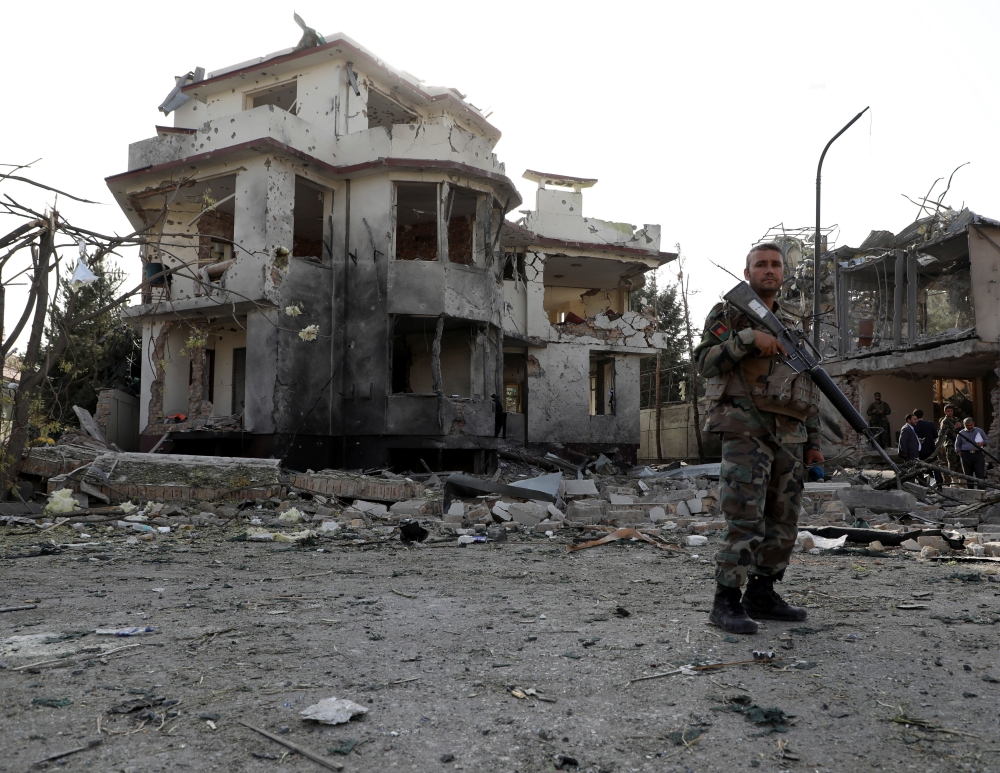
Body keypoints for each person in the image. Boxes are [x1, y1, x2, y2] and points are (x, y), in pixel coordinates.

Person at [695, 242, 823, 635]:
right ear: (747, 272)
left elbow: (808, 388)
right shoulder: (729, 314)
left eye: (776, 265)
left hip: (790, 436)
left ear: (783, 273)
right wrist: (746, 339)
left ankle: (762, 593)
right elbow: (704, 362)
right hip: (746, 428)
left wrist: (814, 444)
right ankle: (726, 601)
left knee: (783, 519)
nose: (769, 270)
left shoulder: (792, 326)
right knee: (745, 516)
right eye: (761, 264)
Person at [956, 417, 988, 489]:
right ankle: (971, 490)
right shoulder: (961, 433)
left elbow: (986, 440)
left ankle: (981, 490)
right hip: (966, 455)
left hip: (978, 454)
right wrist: (960, 452)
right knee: (968, 474)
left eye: (971, 425)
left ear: (974, 423)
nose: (970, 427)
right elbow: (957, 445)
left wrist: (982, 443)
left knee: (980, 473)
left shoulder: (979, 431)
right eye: (968, 425)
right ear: (964, 425)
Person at [938, 405, 964, 484]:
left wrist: (961, 426)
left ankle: (962, 479)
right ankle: (954, 479)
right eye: (948, 411)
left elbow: (962, 430)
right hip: (950, 444)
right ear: (945, 412)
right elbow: (944, 432)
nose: (950, 412)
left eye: (951, 411)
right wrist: (954, 427)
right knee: (952, 462)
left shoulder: (956, 419)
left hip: (958, 442)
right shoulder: (945, 421)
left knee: (959, 462)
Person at [913, 408, 939, 485]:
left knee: (920, 467)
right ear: (923, 415)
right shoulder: (930, 424)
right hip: (930, 449)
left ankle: (922, 484)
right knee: (935, 467)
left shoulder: (913, 426)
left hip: (919, 450)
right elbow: (936, 435)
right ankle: (939, 484)